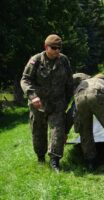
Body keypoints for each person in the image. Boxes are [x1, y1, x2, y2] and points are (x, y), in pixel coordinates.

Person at [20, 34, 73, 172]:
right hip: (38, 104)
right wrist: (32, 96)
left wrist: (67, 100)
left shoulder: (64, 60)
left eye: (59, 48)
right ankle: (41, 158)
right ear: (46, 47)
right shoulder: (36, 60)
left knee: (58, 131)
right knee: (38, 132)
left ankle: (55, 161)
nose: (57, 51)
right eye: (54, 48)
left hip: (57, 104)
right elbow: (25, 80)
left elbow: (69, 82)